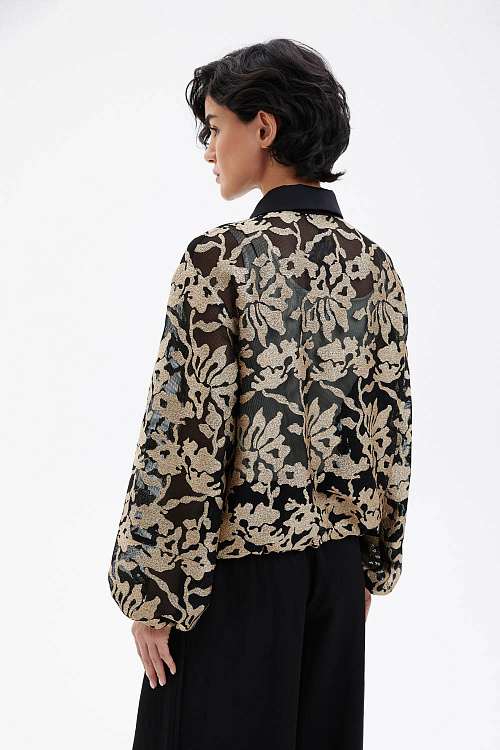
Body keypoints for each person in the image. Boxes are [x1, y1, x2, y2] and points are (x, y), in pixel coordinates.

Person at [107, 38, 412, 750]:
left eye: (216, 128)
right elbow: (389, 432)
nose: (209, 151)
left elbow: (185, 433)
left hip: (236, 578)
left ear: (264, 127)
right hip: (339, 578)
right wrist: (370, 567)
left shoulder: (219, 260)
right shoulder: (376, 267)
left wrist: (152, 591)